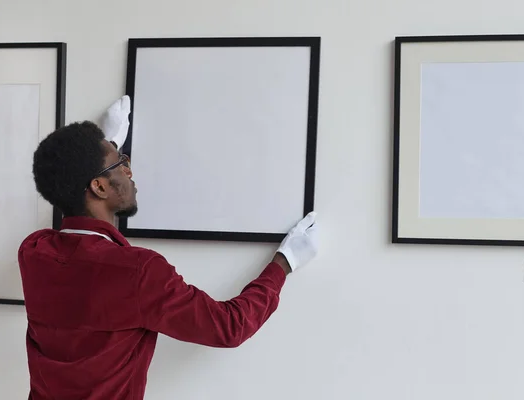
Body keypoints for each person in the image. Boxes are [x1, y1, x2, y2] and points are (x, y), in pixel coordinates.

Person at [18, 95, 319, 400]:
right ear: (99, 187)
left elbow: (88, 237)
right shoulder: (138, 272)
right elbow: (229, 326)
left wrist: (106, 148)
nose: (130, 172)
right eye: (122, 165)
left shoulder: (33, 252)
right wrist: (285, 261)